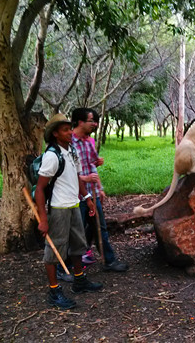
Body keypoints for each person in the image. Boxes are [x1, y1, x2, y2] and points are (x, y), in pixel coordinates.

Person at [36, 113, 104, 309]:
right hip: (59, 208)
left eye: (69, 129)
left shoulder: (72, 151)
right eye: (65, 130)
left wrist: (87, 198)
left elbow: (76, 176)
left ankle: (79, 280)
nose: (69, 133)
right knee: (54, 250)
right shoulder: (51, 156)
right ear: (56, 134)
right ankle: (54, 291)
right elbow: (40, 189)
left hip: (74, 205)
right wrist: (43, 218)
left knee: (78, 246)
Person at [71, 107, 129, 272]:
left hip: (92, 193)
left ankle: (109, 261)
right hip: (75, 196)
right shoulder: (69, 143)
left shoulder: (88, 142)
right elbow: (65, 172)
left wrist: (99, 188)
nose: (95, 124)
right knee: (77, 230)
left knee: (100, 227)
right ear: (80, 122)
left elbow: (92, 166)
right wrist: (83, 179)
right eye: (91, 121)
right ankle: (70, 266)